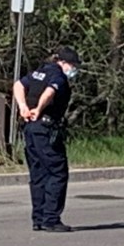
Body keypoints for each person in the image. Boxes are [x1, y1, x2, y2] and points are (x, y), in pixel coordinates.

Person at [13, 46, 81, 232]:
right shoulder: (57, 75)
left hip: (29, 128)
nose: (74, 69)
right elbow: (50, 92)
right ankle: (51, 218)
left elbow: (18, 85)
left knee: (38, 173)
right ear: (63, 63)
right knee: (57, 171)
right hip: (46, 128)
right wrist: (39, 109)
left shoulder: (38, 72)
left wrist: (23, 107)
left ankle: (38, 218)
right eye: (73, 65)